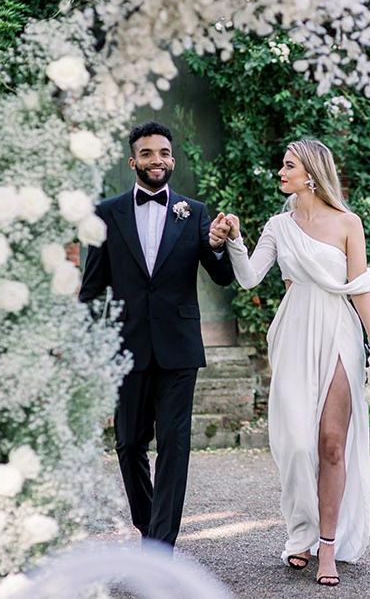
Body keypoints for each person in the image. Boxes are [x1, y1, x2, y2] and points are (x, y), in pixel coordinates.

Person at [221, 139, 370, 586]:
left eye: (288, 165)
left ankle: (327, 547)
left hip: (339, 331)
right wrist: (236, 240)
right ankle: (300, 533)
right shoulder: (277, 226)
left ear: (310, 173)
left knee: (332, 442)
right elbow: (250, 276)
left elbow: (361, 286)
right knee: (295, 444)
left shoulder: (349, 223)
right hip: (293, 332)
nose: (280, 170)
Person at [79, 121, 234, 548]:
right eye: (147, 154)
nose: (156, 160)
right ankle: (149, 528)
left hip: (179, 348)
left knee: (174, 446)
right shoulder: (106, 213)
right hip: (126, 348)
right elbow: (92, 290)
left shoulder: (195, 212)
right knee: (128, 445)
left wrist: (219, 245)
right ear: (133, 161)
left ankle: (160, 545)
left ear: (173, 159)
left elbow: (221, 277)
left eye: (163, 153)